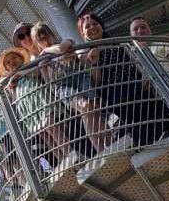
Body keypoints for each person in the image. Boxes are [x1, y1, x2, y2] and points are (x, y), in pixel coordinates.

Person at [78, 13, 169, 146]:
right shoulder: (84, 55)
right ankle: (151, 142)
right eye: (87, 26)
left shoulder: (119, 44)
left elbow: (135, 62)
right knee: (134, 114)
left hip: (134, 82)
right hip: (113, 89)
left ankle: (162, 137)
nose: (92, 27)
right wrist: (94, 62)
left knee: (151, 109)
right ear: (83, 33)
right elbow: (97, 81)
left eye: (95, 24)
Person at [32, 22, 110, 153]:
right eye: (41, 39)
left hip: (80, 77)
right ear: (37, 43)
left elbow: (62, 49)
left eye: (46, 35)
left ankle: (110, 142)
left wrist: (46, 50)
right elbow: (48, 81)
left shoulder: (65, 42)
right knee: (84, 107)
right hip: (62, 86)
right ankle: (101, 148)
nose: (45, 40)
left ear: (51, 34)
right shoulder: (42, 60)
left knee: (95, 109)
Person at [0, 46, 75, 164]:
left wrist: (20, 74)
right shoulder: (10, 83)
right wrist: (12, 87)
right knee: (42, 133)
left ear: (21, 58)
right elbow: (13, 100)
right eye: (8, 62)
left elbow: (37, 71)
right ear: (7, 68)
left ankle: (70, 153)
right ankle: (63, 160)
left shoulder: (29, 66)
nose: (12, 62)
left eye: (14, 58)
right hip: (26, 106)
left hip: (38, 96)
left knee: (50, 124)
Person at [129, 16, 169, 84]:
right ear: (131, 34)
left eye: (143, 27)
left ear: (149, 30)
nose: (140, 31)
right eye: (135, 29)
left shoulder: (162, 43)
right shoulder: (130, 54)